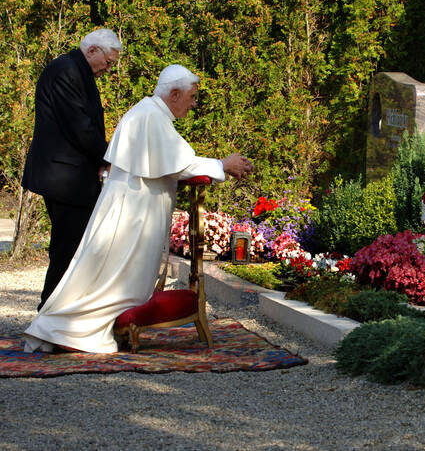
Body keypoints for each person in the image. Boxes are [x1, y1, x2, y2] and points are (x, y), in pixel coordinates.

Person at [23, 65, 254, 353]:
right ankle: (65, 329)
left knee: (105, 275)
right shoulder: (150, 117)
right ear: (174, 93)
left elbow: (172, 162)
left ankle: (61, 328)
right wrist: (222, 165)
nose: (194, 104)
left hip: (130, 208)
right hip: (131, 215)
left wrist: (219, 165)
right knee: (112, 279)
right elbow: (182, 163)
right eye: (192, 97)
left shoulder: (150, 114)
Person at [22, 28, 123, 311]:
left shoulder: (76, 70)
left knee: (73, 249)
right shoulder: (66, 71)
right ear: (92, 50)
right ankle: (50, 316)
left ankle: (60, 316)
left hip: (69, 176)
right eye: (108, 61)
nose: (109, 68)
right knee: (67, 251)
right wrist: (111, 157)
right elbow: (79, 128)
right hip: (63, 179)